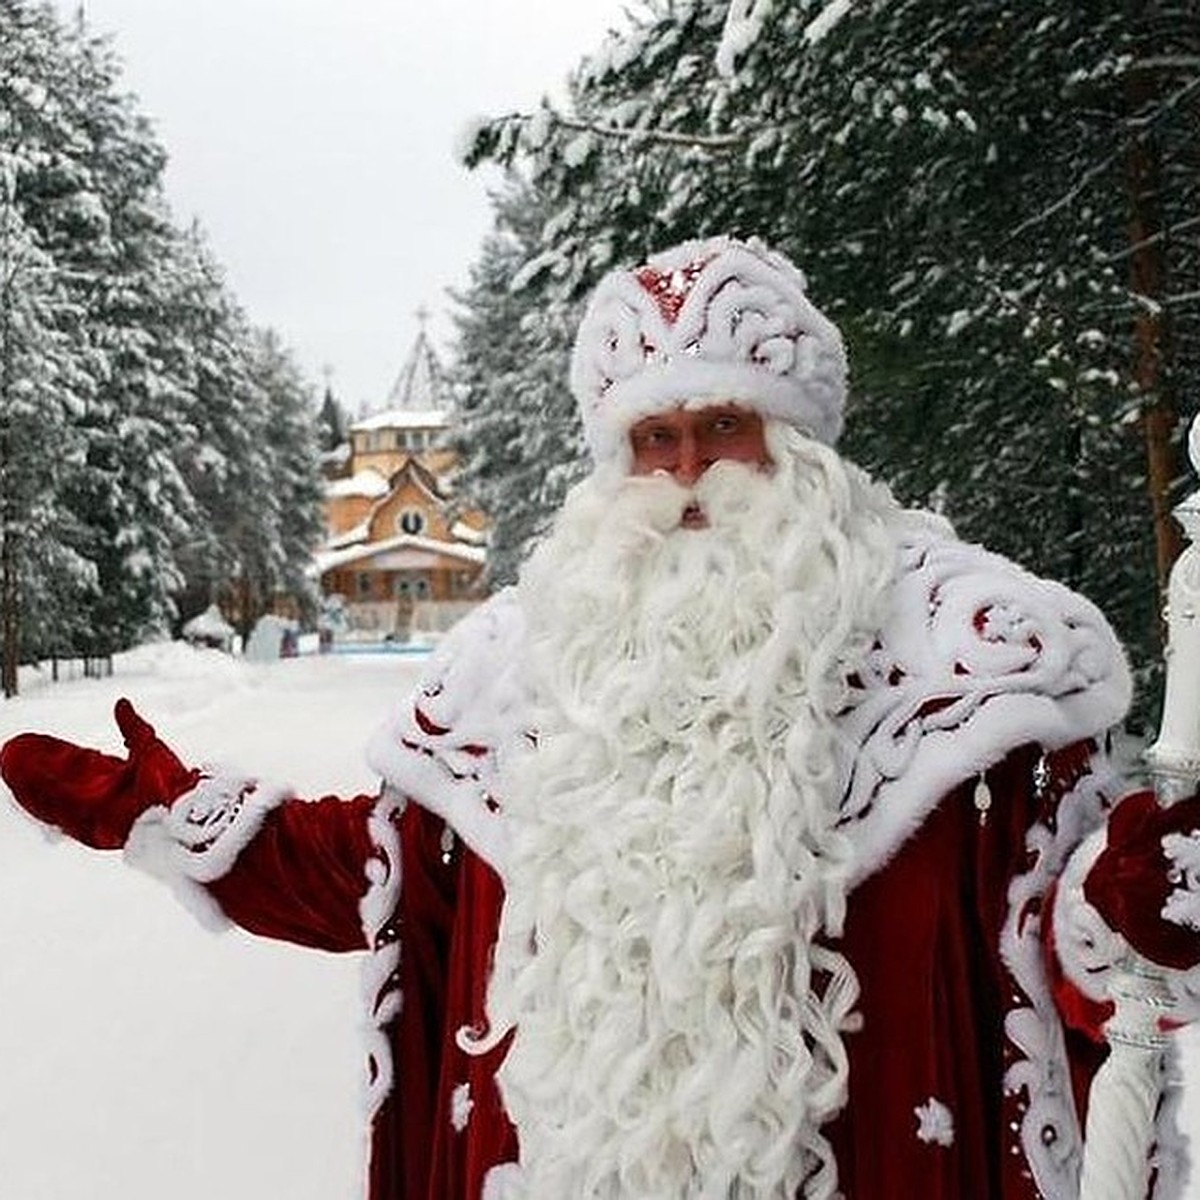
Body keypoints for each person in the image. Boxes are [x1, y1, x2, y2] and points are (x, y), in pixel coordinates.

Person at [4, 235, 1200, 1200]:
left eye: (728, 426)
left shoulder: (975, 670)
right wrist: (169, 817)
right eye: (656, 437)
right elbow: (387, 883)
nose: (690, 474)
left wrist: (1127, 906)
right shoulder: (518, 670)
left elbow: (1079, 950)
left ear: (800, 442)